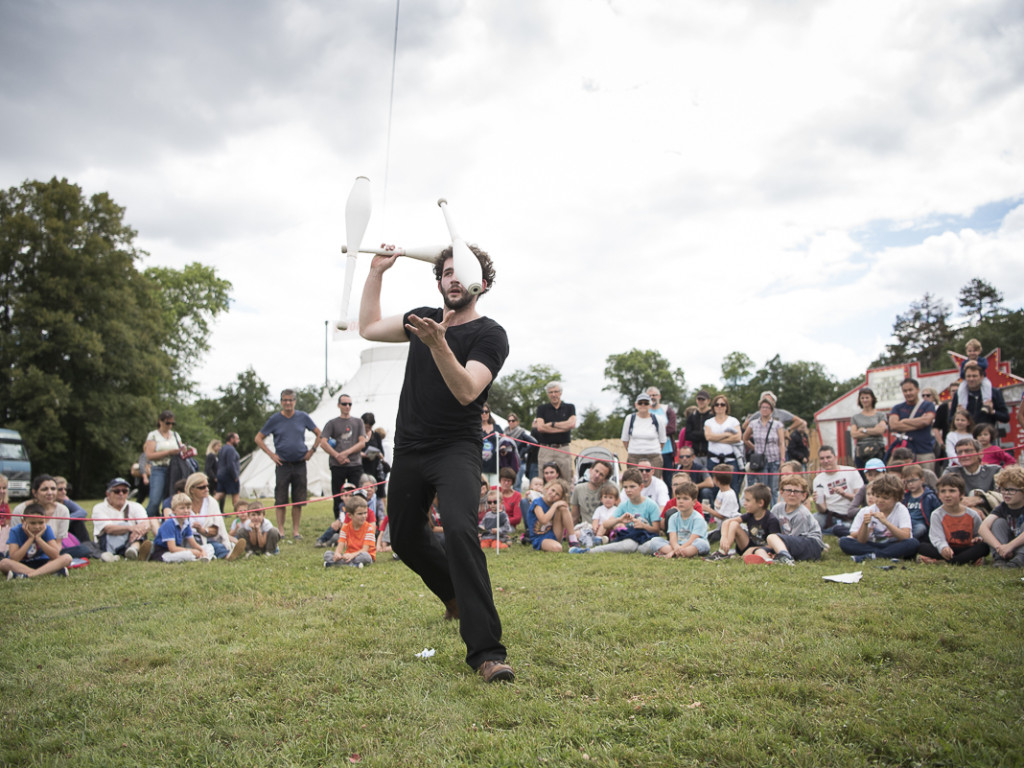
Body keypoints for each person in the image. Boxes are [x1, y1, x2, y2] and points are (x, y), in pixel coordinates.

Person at [357, 240, 513, 683]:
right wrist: (377, 272)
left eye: (460, 272)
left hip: (455, 449)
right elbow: (367, 327)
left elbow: (467, 391)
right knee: (404, 538)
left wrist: (439, 343)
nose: (452, 279)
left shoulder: (490, 335)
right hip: (408, 448)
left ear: (481, 284)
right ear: (440, 280)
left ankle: (487, 652)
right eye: (445, 272)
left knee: (461, 531)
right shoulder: (422, 317)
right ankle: (453, 595)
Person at [255, 389, 322, 541]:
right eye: (285, 400)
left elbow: (319, 433)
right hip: (282, 464)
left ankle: (296, 531)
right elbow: (258, 438)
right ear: (281, 402)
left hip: (300, 463)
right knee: (281, 500)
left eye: (290, 400)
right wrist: (271, 454)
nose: (288, 403)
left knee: (298, 500)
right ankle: (281, 531)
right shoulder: (274, 419)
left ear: (295, 401)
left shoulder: (302, 417)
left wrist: (312, 451)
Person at [579, 469, 665, 555]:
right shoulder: (623, 505)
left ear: (641, 487)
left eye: (632, 487)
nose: (628, 490)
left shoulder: (651, 505)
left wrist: (643, 526)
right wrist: (619, 520)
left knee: (649, 545)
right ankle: (591, 551)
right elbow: (605, 524)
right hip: (631, 538)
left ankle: (639, 549)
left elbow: (656, 530)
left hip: (647, 537)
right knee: (630, 545)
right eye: (625, 487)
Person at [838, 475, 919, 561]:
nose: (880, 500)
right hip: (872, 544)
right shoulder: (868, 510)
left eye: (885, 498)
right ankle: (882, 554)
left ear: (896, 498)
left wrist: (886, 522)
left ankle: (872, 555)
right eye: (877, 496)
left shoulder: (901, 509)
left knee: (913, 543)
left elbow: (906, 536)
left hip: (893, 544)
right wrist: (865, 524)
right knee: (844, 541)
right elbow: (861, 540)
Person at [748, 475, 824, 565]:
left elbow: (796, 539)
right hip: (786, 544)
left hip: (810, 545)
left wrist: (776, 548)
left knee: (772, 537)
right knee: (759, 550)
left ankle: (785, 557)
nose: (792, 494)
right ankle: (770, 561)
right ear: (781, 492)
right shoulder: (777, 508)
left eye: (796, 491)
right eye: (788, 491)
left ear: (804, 495)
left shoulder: (802, 514)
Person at [917, 473, 988, 565]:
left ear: (961, 494)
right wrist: (943, 548)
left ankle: (947, 561)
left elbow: (979, 534)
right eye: (943, 491)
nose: (947, 495)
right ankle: (962, 561)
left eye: (952, 491)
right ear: (938, 495)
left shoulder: (972, 514)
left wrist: (978, 538)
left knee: (984, 547)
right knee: (922, 546)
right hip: (946, 548)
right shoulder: (936, 514)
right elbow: (937, 537)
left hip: (965, 548)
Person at [321, 394, 368, 521]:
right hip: (337, 465)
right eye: (344, 404)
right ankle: (339, 522)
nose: (347, 406)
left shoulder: (358, 422)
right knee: (338, 496)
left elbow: (362, 442)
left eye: (349, 404)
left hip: (354, 464)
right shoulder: (332, 423)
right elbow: (323, 442)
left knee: (357, 495)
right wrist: (337, 456)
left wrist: (345, 453)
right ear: (338, 405)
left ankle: (356, 521)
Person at [708, 483, 780, 561]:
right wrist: (724, 537)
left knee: (760, 552)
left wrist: (753, 549)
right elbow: (727, 522)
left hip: (763, 551)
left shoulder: (771, 520)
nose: (744, 504)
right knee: (733, 524)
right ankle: (722, 553)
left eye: (748, 500)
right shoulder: (750, 515)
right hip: (747, 546)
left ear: (760, 503)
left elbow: (774, 545)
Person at [1, 503, 73, 579]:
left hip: (43, 563)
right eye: (33, 523)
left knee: (67, 558)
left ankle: (28, 575)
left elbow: (55, 555)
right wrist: (30, 539)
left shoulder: (47, 529)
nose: (37, 527)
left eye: (41, 522)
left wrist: (38, 539)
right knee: (4, 563)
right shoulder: (15, 531)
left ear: (45, 520)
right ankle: (47, 573)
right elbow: (14, 558)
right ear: (23, 521)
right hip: (21, 564)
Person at [185, 472, 246, 561]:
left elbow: (215, 530)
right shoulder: (184, 503)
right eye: (202, 487)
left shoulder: (211, 503)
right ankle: (223, 552)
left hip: (207, 538)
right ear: (192, 489)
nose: (206, 489)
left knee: (214, 546)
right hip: (188, 539)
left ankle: (227, 555)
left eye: (207, 486)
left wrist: (202, 530)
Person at [91, 477, 152, 561]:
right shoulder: (99, 508)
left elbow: (146, 524)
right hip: (107, 541)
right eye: (117, 491)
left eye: (124, 491)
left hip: (131, 539)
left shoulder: (136, 506)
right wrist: (131, 528)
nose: (121, 494)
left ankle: (133, 550)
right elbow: (108, 528)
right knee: (126, 525)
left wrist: (138, 530)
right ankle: (130, 551)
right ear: (108, 494)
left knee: (141, 529)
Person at [742, 395, 786, 504]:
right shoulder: (754, 424)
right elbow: (745, 438)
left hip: (774, 459)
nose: (764, 410)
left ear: (771, 410)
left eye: (767, 407)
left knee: (774, 488)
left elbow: (781, 443)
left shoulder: (777, 425)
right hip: (761, 461)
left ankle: (774, 511)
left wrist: (782, 460)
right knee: (764, 489)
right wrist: (755, 448)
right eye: (762, 407)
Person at [812, 445, 864, 536]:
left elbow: (860, 499)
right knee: (810, 522)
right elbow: (823, 510)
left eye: (828, 457)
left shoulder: (851, 471)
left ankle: (833, 531)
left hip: (849, 514)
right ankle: (833, 530)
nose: (825, 461)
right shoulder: (818, 480)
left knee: (856, 523)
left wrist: (845, 494)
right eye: (822, 458)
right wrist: (817, 502)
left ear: (835, 458)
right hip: (829, 515)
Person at [532, 382, 576, 490]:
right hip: (546, 448)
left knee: (566, 479)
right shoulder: (542, 409)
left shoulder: (569, 407)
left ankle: (565, 504)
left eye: (556, 391)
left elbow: (572, 424)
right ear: (548, 394)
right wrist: (563, 427)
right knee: (543, 478)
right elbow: (540, 427)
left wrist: (552, 424)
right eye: (551, 392)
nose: (553, 394)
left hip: (563, 448)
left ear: (560, 393)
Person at [150, 493, 215, 563]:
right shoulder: (169, 524)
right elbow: (172, 548)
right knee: (187, 555)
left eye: (188, 508)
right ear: (174, 510)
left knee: (209, 547)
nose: (186, 511)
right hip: (165, 553)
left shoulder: (186, 523)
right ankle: (201, 558)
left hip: (178, 550)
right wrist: (192, 551)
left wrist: (202, 550)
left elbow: (193, 543)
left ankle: (204, 556)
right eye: (182, 508)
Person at [980, 466, 1024, 567]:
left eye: (1011, 490)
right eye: (1003, 489)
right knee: (997, 523)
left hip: (1018, 548)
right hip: (1006, 550)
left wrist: (1010, 546)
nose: (1006, 494)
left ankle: (1020, 559)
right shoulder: (1002, 507)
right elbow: (983, 528)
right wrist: (1000, 547)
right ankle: (1000, 559)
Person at [143, 410, 183, 519]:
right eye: (167, 423)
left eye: (172, 423)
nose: (170, 426)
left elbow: (180, 452)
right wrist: (169, 452)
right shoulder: (153, 435)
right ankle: (145, 521)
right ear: (160, 421)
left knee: (171, 499)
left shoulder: (175, 435)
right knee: (155, 500)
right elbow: (149, 455)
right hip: (158, 469)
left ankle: (168, 522)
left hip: (174, 470)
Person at [655, 481, 709, 559]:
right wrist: (676, 547)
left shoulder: (698, 518)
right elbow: (672, 538)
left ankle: (675, 553)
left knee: (701, 543)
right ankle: (683, 553)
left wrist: (674, 550)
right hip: (677, 545)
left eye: (685, 498)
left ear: (694, 502)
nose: (681, 501)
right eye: (678, 498)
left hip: (692, 545)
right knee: (655, 541)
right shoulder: (673, 517)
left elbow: (692, 540)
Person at [888, 378, 936, 465]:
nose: (908, 393)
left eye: (910, 390)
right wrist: (919, 423)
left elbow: (926, 421)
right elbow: (893, 425)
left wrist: (904, 421)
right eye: (905, 391)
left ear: (917, 390)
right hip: (904, 454)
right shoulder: (897, 408)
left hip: (924, 451)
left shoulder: (928, 405)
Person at [950, 361, 1009, 429]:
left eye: (974, 376)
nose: (971, 379)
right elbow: (950, 420)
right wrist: (957, 416)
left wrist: (992, 412)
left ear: (982, 377)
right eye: (968, 376)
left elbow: (1005, 417)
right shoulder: (959, 394)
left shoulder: (994, 393)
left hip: (986, 435)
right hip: (966, 435)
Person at [704, 395, 743, 496]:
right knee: (714, 489)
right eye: (717, 404)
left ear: (726, 407)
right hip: (713, 459)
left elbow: (738, 438)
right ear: (713, 407)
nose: (719, 406)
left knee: (733, 489)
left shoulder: (733, 421)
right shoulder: (709, 422)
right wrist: (726, 435)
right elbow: (708, 437)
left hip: (730, 460)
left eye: (722, 404)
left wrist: (716, 438)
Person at [324, 495, 376, 568]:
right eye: (360, 514)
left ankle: (338, 564)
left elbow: (365, 550)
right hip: (349, 555)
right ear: (350, 515)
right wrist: (337, 554)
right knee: (327, 554)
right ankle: (352, 564)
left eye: (365, 513)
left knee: (366, 557)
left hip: (363, 554)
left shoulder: (369, 528)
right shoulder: (345, 528)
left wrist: (352, 555)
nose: (364, 516)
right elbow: (340, 546)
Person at [621, 392, 667, 474]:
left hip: (654, 456)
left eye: (646, 403)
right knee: (634, 481)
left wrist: (654, 450)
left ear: (650, 405)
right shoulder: (629, 418)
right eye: (640, 403)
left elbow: (662, 440)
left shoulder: (658, 419)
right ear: (636, 405)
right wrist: (633, 450)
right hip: (634, 457)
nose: (643, 405)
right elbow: (625, 439)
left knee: (654, 481)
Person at [947, 438, 999, 510]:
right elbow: (945, 495)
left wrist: (980, 499)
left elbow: (1001, 496)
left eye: (968, 451)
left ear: (980, 454)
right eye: (959, 452)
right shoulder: (951, 472)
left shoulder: (995, 470)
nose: (963, 455)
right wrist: (972, 511)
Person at [526, 479, 576, 552]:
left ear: (560, 498)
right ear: (547, 489)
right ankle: (554, 544)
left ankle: (573, 540)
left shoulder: (556, 505)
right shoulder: (537, 503)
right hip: (540, 538)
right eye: (553, 490)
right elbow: (543, 520)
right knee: (558, 548)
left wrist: (559, 505)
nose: (553, 494)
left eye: (557, 494)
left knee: (563, 508)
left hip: (554, 534)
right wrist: (555, 505)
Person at [849, 387, 887, 469]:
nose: (864, 400)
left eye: (867, 397)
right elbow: (854, 434)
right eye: (862, 398)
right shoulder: (855, 417)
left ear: (872, 398)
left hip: (878, 450)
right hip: (861, 452)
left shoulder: (880, 415)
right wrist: (873, 430)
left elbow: (880, 430)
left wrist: (864, 430)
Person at [646, 387, 678, 481]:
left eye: (654, 395)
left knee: (668, 480)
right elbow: (644, 430)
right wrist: (662, 428)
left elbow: (672, 428)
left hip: (666, 451)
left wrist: (653, 431)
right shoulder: (644, 411)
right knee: (652, 479)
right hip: (650, 451)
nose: (652, 397)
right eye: (649, 395)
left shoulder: (667, 409)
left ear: (659, 396)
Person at [901, 465, 940, 541]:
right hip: (907, 522)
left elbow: (937, 510)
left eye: (913, 480)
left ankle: (907, 540)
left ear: (922, 479)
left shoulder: (929, 496)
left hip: (921, 523)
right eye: (907, 481)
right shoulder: (905, 497)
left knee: (920, 529)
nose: (910, 484)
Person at [570, 459, 612, 528]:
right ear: (590, 470)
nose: (597, 475)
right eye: (596, 471)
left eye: (601, 474)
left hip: (604, 528)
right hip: (586, 528)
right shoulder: (579, 488)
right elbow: (574, 516)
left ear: (605, 479)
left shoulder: (610, 489)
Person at [502, 412, 534, 491]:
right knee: (505, 486)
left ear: (517, 422)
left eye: (513, 420)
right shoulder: (505, 433)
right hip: (507, 463)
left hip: (519, 463)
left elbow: (534, 442)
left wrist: (524, 451)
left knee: (516, 485)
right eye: (509, 421)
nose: (511, 422)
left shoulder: (521, 433)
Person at [707, 464, 740, 538]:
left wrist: (708, 510)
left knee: (712, 537)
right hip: (720, 527)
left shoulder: (729, 495)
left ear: (716, 479)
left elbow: (723, 516)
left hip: (728, 528)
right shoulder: (721, 491)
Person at [215, 433, 242, 513]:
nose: (238, 441)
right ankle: (239, 513)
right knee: (236, 495)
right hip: (230, 475)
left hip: (221, 474)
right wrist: (235, 476)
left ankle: (208, 506)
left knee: (219, 494)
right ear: (231, 439)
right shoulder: (231, 449)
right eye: (237, 439)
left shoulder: (222, 449)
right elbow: (231, 464)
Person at [684, 390, 713, 460]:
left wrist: (695, 434)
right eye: (699, 399)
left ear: (708, 401)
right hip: (695, 454)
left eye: (703, 399)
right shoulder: (692, 416)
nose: (700, 401)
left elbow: (712, 435)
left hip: (709, 454)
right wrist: (704, 435)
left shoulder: (712, 416)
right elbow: (687, 435)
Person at [480, 403, 503, 488]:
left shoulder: (497, 427)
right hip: (480, 465)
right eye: (482, 412)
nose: (484, 414)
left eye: (486, 411)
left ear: (489, 413)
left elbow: (504, 441)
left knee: (494, 489)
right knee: (482, 490)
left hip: (495, 464)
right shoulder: (476, 428)